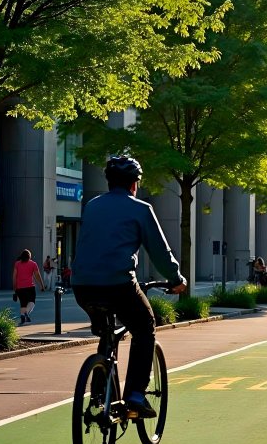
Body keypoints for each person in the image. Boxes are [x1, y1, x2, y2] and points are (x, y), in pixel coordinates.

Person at [72, 155, 187, 419]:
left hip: (82, 286)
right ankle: (135, 394)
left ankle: (99, 393)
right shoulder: (140, 209)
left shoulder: (91, 206)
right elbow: (160, 252)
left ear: (109, 182)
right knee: (145, 325)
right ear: (135, 184)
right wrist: (176, 279)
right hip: (119, 284)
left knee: (106, 331)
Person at [12, 249, 45, 325]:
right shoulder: (33, 264)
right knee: (32, 302)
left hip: (19, 288)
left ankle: (22, 315)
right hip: (30, 287)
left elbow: (14, 276)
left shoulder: (17, 264)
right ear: (29, 256)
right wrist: (42, 285)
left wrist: (14, 288)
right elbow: (37, 276)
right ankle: (26, 312)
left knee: (23, 303)